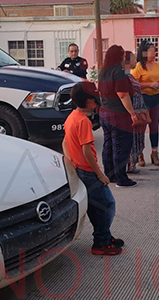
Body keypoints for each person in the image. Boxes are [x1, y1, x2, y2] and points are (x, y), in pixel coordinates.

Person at [62, 81, 124, 255]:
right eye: (95, 100)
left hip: (80, 170)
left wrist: (70, 160)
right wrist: (100, 174)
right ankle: (101, 242)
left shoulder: (71, 117)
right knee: (107, 205)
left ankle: (104, 235)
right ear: (90, 101)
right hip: (89, 173)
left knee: (96, 207)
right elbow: (87, 151)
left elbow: (65, 141)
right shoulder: (84, 122)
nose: (96, 103)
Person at [98, 45, 138, 188]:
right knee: (121, 147)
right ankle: (122, 178)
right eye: (122, 55)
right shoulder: (118, 73)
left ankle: (109, 174)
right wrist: (132, 113)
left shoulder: (103, 72)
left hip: (105, 113)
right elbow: (123, 94)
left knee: (108, 145)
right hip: (118, 115)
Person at [131, 40, 159, 166]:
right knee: (141, 127)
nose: (154, 53)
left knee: (154, 126)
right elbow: (133, 85)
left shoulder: (157, 66)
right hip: (143, 100)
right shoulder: (138, 67)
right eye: (151, 50)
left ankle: (154, 152)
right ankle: (140, 154)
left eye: (154, 50)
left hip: (156, 99)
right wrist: (149, 85)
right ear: (144, 52)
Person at [124, 51, 146, 174]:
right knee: (132, 139)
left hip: (138, 110)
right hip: (133, 112)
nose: (136, 61)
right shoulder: (124, 76)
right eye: (133, 59)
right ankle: (130, 165)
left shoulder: (129, 74)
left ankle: (132, 163)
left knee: (137, 138)